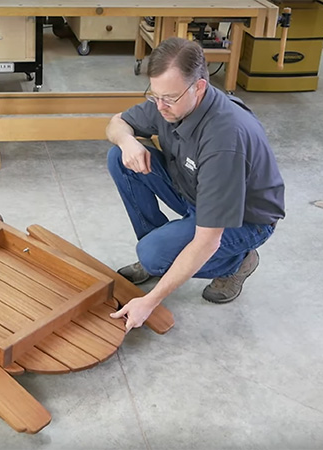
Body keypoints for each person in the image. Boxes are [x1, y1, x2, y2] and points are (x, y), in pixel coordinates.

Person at [106, 37, 285, 332]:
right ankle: (160, 257)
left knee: (153, 254)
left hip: (244, 221)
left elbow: (208, 239)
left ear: (199, 86)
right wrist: (127, 141)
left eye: (169, 98)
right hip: (194, 190)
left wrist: (150, 301)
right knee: (119, 158)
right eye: (155, 95)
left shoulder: (224, 140)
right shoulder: (170, 101)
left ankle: (237, 261)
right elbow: (116, 123)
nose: (160, 106)